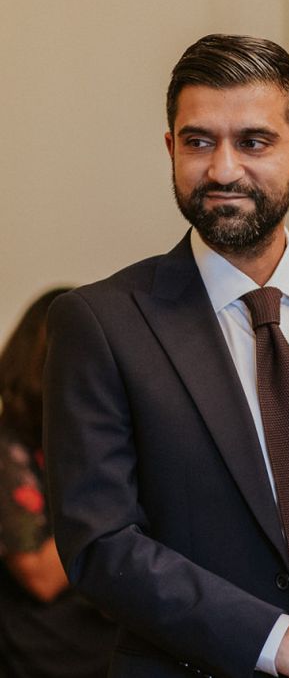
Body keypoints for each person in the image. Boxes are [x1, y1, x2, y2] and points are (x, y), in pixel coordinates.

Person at [43, 34, 289, 678]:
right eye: (199, 142)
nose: (224, 169)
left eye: (254, 142)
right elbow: (102, 545)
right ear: (170, 149)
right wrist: (280, 642)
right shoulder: (100, 322)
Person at [0, 287, 117, 677]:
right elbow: (39, 575)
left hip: (104, 645)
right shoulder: (7, 447)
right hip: (47, 652)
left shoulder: (78, 438)